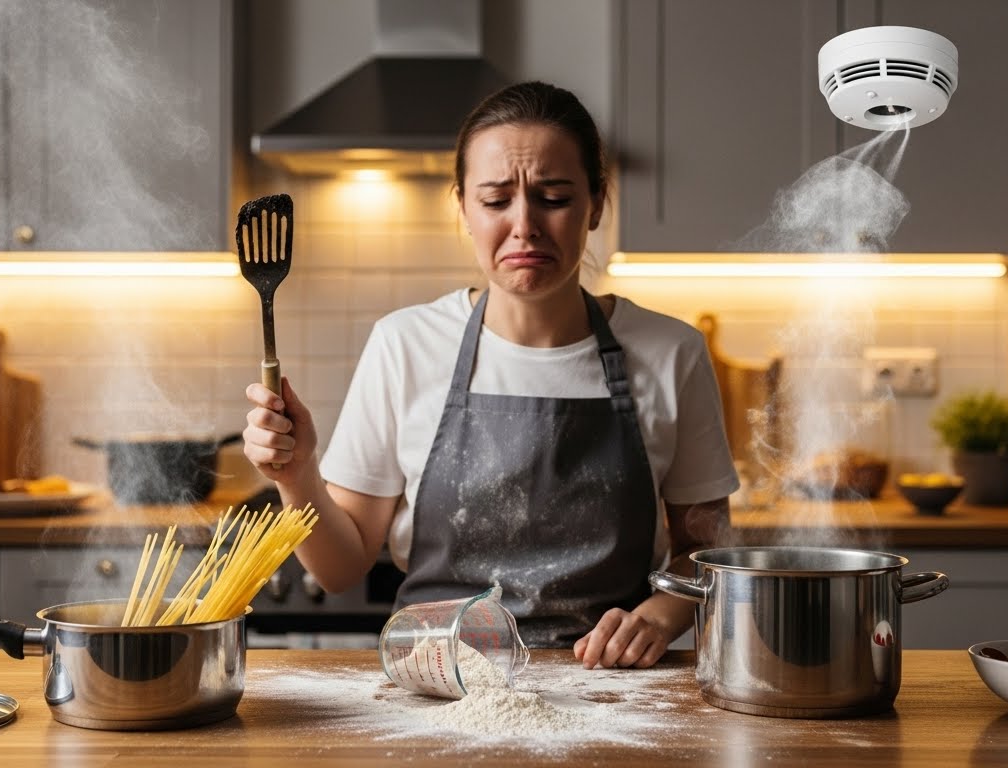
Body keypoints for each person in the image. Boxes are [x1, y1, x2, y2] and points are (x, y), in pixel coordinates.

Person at [241, 81, 738, 669]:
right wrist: (297, 477)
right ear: (463, 208)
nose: (524, 225)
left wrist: (657, 616)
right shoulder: (405, 345)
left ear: (597, 203)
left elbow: (705, 552)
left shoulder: (672, 352)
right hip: (438, 687)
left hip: (610, 685)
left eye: (554, 196)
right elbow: (340, 565)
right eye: (496, 200)